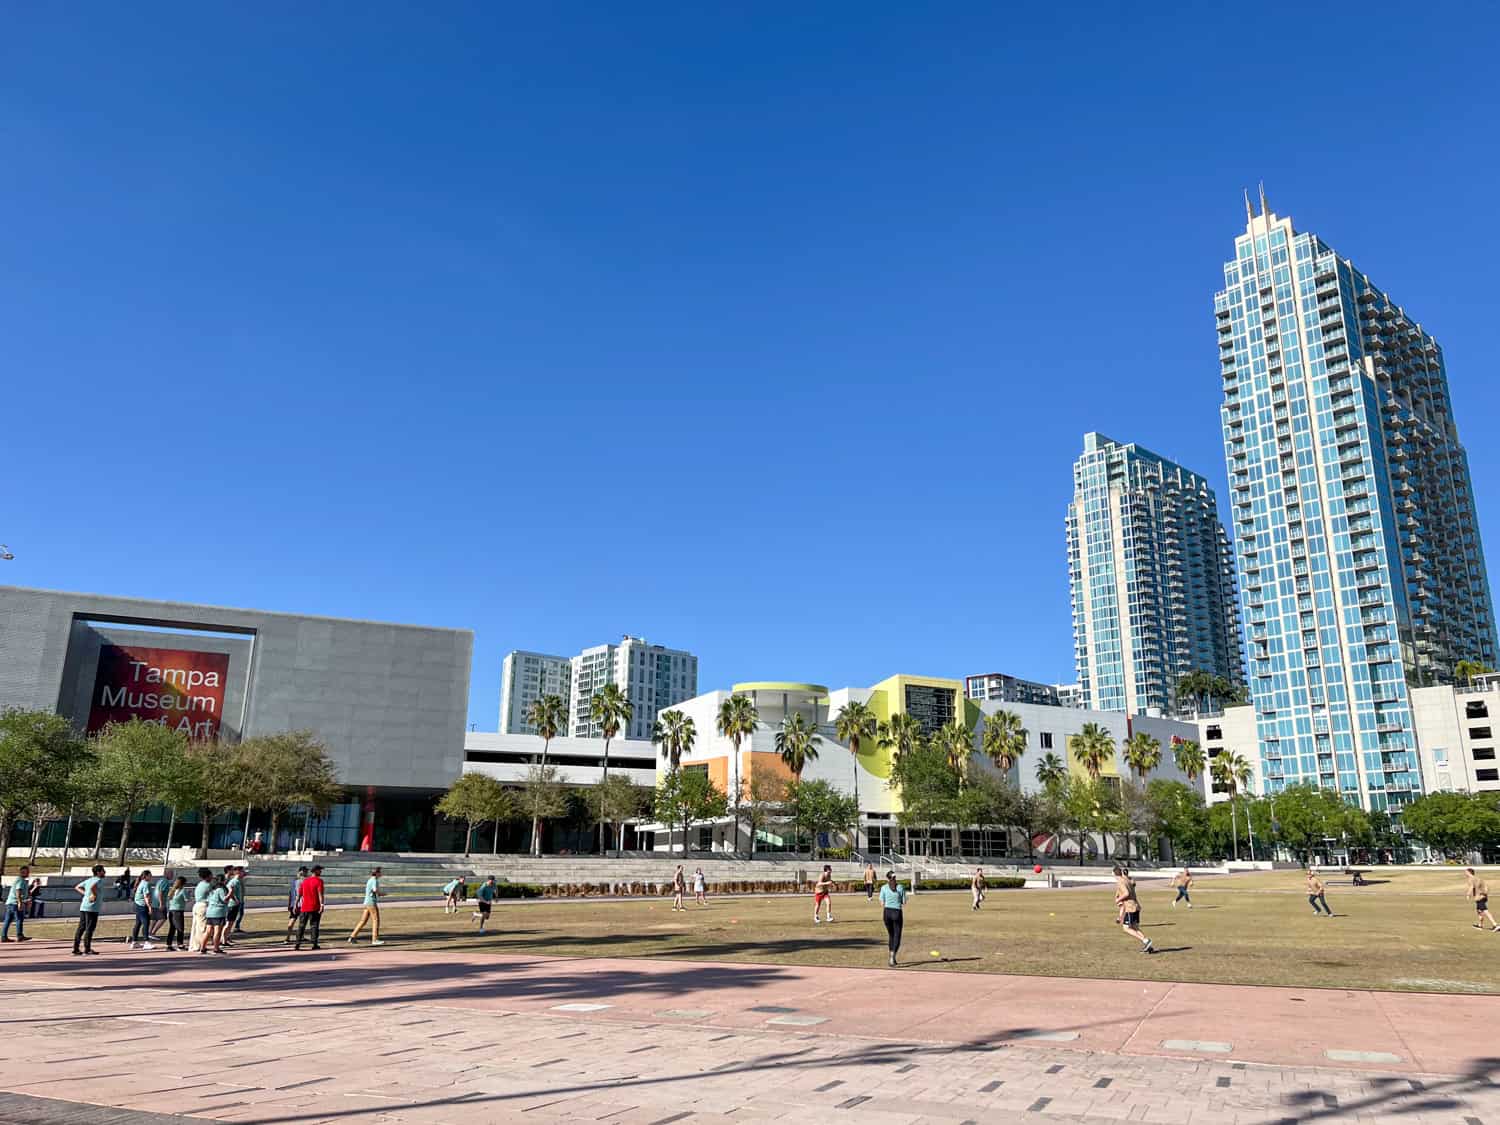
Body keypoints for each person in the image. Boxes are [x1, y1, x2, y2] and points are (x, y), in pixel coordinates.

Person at [1114, 866, 1155, 954]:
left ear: (1114, 874)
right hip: (1136, 906)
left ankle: (1146, 941)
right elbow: (1132, 885)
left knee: (1126, 928)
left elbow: (1126, 893)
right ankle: (1148, 946)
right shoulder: (1128, 880)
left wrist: (1118, 899)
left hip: (1130, 908)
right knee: (1135, 927)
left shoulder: (1121, 882)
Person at [73, 865, 106, 956]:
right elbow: (93, 887)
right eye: (103, 871)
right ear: (98, 872)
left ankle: (76, 948)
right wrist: (94, 895)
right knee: (89, 928)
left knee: (81, 927)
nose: (104, 872)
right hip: (92, 908)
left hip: (84, 907)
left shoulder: (89, 880)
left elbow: (77, 887)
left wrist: (86, 895)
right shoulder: (98, 880)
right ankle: (87, 949)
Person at [348, 866, 384, 945]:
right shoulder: (374, 880)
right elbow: (375, 890)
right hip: (371, 902)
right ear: (377, 873)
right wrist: (381, 894)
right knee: (376, 920)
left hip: (367, 902)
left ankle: (352, 937)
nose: (381, 873)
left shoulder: (370, 880)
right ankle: (375, 939)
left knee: (363, 921)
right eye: (380, 872)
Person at [294, 864, 326, 950]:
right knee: (314, 925)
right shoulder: (319, 881)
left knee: (301, 925)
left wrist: (296, 904)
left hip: (304, 907)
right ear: (315, 871)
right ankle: (314, 943)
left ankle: (297, 943)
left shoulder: (305, 881)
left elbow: (299, 895)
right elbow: (320, 894)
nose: (321, 872)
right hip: (315, 907)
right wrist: (322, 905)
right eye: (319, 870)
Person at [879, 870, 906, 967]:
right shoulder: (900, 887)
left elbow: (881, 903)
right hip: (897, 912)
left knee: (891, 935)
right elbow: (904, 902)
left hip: (887, 913)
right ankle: (892, 956)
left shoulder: (883, 888)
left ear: (887, 878)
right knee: (897, 935)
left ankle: (891, 954)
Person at [2, 865, 31, 942]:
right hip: (14, 903)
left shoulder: (19, 880)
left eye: (28, 872)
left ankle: (3, 936)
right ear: (22, 872)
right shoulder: (21, 881)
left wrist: (25, 900)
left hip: (10, 903)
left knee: (8, 920)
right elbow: (18, 892)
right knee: (19, 919)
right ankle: (20, 935)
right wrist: (20, 903)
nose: (28, 873)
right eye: (26, 872)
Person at [129, 870, 156, 949]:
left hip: (137, 905)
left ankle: (134, 942)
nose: (151, 877)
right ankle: (146, 942)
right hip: (142, 905)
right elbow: (146, 896)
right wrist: (150, 907)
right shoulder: (146, 884)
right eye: (150, 875)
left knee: (138, 923)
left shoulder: (141, 882)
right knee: (146, 923)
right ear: (146, 876)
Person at [188, 868, 213, 952]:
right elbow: (211, 897)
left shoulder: (200, 884)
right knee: (202, 927)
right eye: (211, 875)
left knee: (196, 927)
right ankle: (201, 945)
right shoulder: (207, 885)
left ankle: (194, 945)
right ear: (208, 876)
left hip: (197, 906)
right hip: (203, 906)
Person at [203, 875, 230, 954]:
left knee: (208, 931)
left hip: (210, 912)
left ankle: (203, 947)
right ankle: (216, 948)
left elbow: (208, 900)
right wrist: (231, 893)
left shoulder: (212, 890)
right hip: (218, 912)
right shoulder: (220, 889)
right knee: (217, 931)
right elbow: (224, 899)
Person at [164, 876, 189, 951]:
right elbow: (187, 899)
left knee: (172, 928)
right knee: (180, 928)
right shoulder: (183, 891)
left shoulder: (172, 890)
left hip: (171, 910)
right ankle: (180, 944)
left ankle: (169, 944)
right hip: (178, 911)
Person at [285, 866, 308, 943]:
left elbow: (290, 894)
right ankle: (300, 936)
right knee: (302, 921)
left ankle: (288, 938)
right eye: (306, 871)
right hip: (301, 904)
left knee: (292, 919)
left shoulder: (293, 882)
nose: (307, 873)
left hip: (293, 903)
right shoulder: (304, 881)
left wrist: (289, 904)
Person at [149, 869, 173, 938]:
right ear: (166, 874)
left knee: (154, 919)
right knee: (163, 918)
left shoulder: (160, 880)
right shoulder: (165, 882)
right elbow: (160, 893)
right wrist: (161, 903)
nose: (172, 875)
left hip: (154, 902)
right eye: (171, 874)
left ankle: (149, 933)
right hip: (159, 903)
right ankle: (153, 933)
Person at [227, 866, 247, 936]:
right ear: (239, 872)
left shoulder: (238, 880)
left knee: (231, 923)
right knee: (228, 923)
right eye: (242, 871)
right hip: (233, 904)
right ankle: (223, 939)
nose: (244, 872)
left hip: (237, 903)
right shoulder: (234, 881)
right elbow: (230, 891)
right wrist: (236, 900)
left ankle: (226, 938)